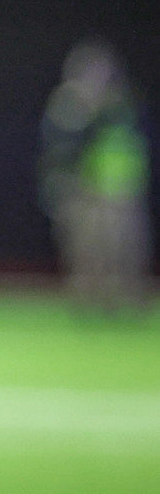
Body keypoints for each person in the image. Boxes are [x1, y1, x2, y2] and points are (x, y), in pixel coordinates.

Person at [39, 38, 153, 312]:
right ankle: (90, 300)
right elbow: (62, 148)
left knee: (126, 247)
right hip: (85, 190)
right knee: (88, 249)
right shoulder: (70, 104)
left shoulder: (121, 103)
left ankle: (127, 299)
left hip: (123, 190)